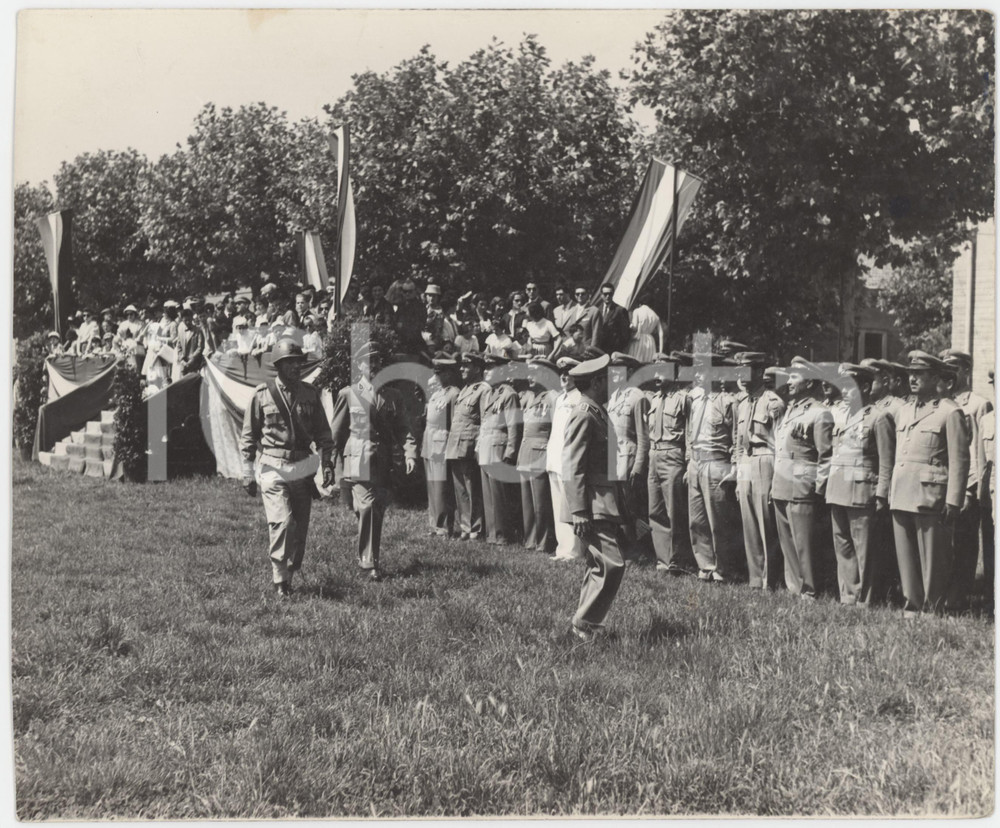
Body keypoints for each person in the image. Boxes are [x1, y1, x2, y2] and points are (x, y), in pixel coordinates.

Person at [239, 340, 335, 597]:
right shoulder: (262, 395)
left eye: (298, 362)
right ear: (279, 366)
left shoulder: (310, 394)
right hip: (272, 466)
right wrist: (248, 472)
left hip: (302, 467)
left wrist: (327, 466)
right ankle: (280, 580)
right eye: (290, 362)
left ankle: (289, 575)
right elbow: (248, 437)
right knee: (282, 522)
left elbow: (324, 435)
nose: (295, 366)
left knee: (299, 527)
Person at [889, 351, 969, 617]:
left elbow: (959, 459)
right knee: (906, 554)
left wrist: (954, 500)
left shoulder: (949, 411)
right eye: (911, 373)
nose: (912, 378)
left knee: (934, 558)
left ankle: (932, 609)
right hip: (901, 492)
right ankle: (912, 605)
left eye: (919, 374)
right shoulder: (903, 411)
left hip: (930, 494)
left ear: (935, 377)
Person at [330, 342, 418, 581]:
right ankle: (369, 563)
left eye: (378, 362)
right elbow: (335, 435)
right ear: (359, 365)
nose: (374, 366)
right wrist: (329, 464)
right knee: (368, 506)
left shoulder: (393, 396)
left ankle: (369, 553)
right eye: (369, 362)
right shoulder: (348, 394)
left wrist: (410, 453)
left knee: (375, 508)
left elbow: (403, 429)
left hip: (384, 461)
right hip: (358, 458)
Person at [563, 354, 628, 641]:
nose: (612, 385)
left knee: (598, 565)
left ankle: (583, 628)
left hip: (602, 501)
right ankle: (584, 622)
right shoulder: (584, 414)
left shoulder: (597, 411)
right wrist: (578, 510)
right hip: (591, 503)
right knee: (612, 564)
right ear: (597, 382)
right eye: (607, 380)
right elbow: (572, 466)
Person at [825, 363, 895, 606]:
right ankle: (848, 596)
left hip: (863, 491)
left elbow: (887, 461)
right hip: (838, 489)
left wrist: (882, 495)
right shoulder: (842, 415)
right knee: (843, 546)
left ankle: (865, 600)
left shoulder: (878, 417)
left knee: (864, 549)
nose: (843, 391)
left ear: (864, 386)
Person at [771, 356, 834, 598]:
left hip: (802, 485)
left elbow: (825, 455)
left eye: (795, 377)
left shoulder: (820, 413)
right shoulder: (790, 410)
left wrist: (818, 489)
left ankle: (809, 590)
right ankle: (794, 587)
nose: (789, 381)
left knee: (804, 543)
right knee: (788, 541)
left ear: (810, 383)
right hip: (783, 484)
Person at [939, 349, 993, 612]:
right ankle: (941, 593)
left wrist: (974, 490)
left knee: (964, 543)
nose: (949, 373)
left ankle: (959, 597)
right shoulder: (940, 401)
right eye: (945, 368)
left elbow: (979, 453)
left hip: (967, 484)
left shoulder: (978, 404)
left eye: (954, 368)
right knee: (942, 544)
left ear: (966, 371)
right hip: (939, 482)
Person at [686, 352, 742, 582]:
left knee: (718, 520)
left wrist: (735, 469)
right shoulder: (695, 399)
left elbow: (738, 437)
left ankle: (724, 568)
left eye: (704, 369)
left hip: (716, 462)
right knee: (697, 520)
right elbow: (690, 432)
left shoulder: (729, 402)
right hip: (695, 463)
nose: (698, 374)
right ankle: (705, 565)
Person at [733, 351, 786, 589]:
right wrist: (737, 473)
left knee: (766, 521)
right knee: (749, 522)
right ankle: (755, 579)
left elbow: (781, 444)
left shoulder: (773, 402)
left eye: (747, 370)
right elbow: (737, 440)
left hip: (766, 459)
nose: (742, 376)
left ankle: (770, 580)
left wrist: (777, 477)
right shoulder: (742, 403)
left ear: (759, 372)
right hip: (746, 459)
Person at [647, 353, 696, 574]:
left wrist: (688, 462)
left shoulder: (684, 399)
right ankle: (663, 559)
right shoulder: (654, 399)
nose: (657, 375)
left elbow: (690, 433)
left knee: (675, 511)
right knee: (655, 510)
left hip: (673, 455)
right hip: (654, 455)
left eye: (663, 371)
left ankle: (679, 559)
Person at [606, 352, 650, 554]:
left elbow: (643, 437)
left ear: (630, 372)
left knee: (630, 507)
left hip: (629, 459)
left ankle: (635, 552)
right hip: (614, 459)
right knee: (616, 507)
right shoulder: (614, 396)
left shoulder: (637, 397)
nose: (614, 374)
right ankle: (622, 549)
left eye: (619, 370)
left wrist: (639, 467)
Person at [445, 352, 491, 541]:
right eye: (461, 366)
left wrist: (479, 446)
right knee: (460, 489)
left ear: (477, 368)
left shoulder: (483, 389)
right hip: (456, 444)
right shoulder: (464, 389)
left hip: (470, 444)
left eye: (466, 366)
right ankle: (465, 526)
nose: (462, 369)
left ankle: (476, 528)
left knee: (472, 488)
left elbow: (486, 419)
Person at [478, 353, 522, 545]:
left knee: (500, 497)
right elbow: (483, 423)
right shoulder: (489, 394)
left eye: (492, 368)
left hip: (499, 447)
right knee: (488, 495)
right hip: (486, 448)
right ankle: (492, 534)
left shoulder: (509, 394)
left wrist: (511, 452)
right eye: (486, 368)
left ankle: (503, 535)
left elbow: (514, 426)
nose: (487, 372)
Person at [517, 357, 560, 554]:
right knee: (527, 503)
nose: (529, 376)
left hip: (541, 454)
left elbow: (556, 431)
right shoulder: (531, 397)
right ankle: (530, 539)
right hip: (525, 453)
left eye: (534, 372)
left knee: (540, 503)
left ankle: (544, 542)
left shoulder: (552, 397)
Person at [547, 357, 587, 561]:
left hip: (569, 460)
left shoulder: (579, 398)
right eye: (561, 372)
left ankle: (574, 551)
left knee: (570, 506)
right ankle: (562, 548)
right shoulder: (559, 399)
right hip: (555, 458)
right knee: (558, 506)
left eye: (568, 372)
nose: (563, 376)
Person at [423, 355, 460, 536]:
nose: (437, 376)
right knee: (432, 485)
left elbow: (454, 422)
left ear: (449, 374)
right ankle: (433, 523)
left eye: (441, 373)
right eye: (436, 372)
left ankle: (444, 526)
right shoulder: (437, 394)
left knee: (441, 488)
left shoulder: (454, 394)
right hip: (429, 441)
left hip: (441, 441)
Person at [591, 283, 630, 354]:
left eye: (610, 294)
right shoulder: (595, 310)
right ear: (601, 295)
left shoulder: (620, 310)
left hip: (613, 350)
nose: (608, 296)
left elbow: (625, 334)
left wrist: (619, 348)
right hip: (597, 349)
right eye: (605, 294)